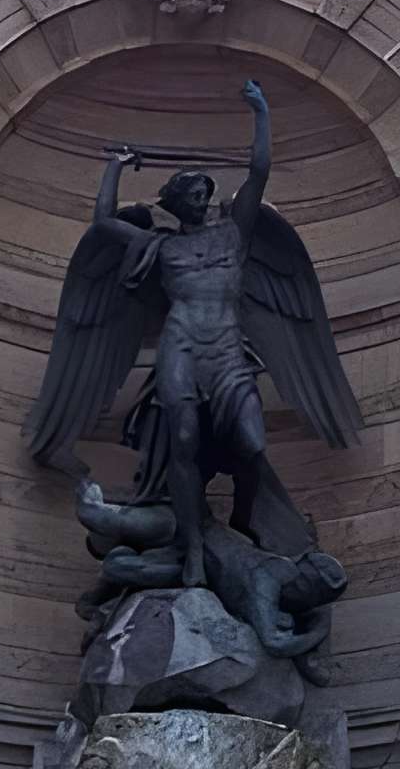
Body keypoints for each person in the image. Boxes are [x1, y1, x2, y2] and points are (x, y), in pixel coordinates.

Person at [87, 81, 273, 589]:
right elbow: (103, 223)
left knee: (254, 445)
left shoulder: (236, 230)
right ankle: (191, 547)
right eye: (191, 190)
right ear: (174, 201)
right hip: (182, 344)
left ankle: (241, 519)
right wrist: (117, 166)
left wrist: (261, 112)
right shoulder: (159, 246)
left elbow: (259, 170)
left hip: (228, 350)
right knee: (184, 439)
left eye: (204, 189)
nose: (200, 194)